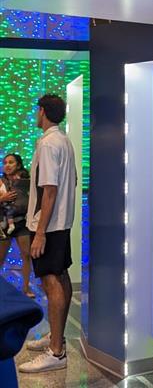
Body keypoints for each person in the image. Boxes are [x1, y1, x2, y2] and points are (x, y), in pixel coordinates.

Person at [19, 94, 77, 374]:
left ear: (42, 111)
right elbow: (70, 182)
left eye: (37, 110)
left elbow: (50, 190)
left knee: (51, 282)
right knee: (61, 278)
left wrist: (40, 232)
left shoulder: (48, 144)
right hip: (60, 224)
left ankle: (56, 352)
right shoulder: (63, 141)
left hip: (48, 226)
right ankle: (57, 338)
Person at [0, 154, 35, 298]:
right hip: (3, 224)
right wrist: (2, 198)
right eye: (5, 163)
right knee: (1, 258)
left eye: (11, 162)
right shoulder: (1, 181)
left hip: (22, 223)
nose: (7, 165)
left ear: (18, 165)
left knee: (26, 255)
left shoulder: (26, 181)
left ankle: (26, 288)